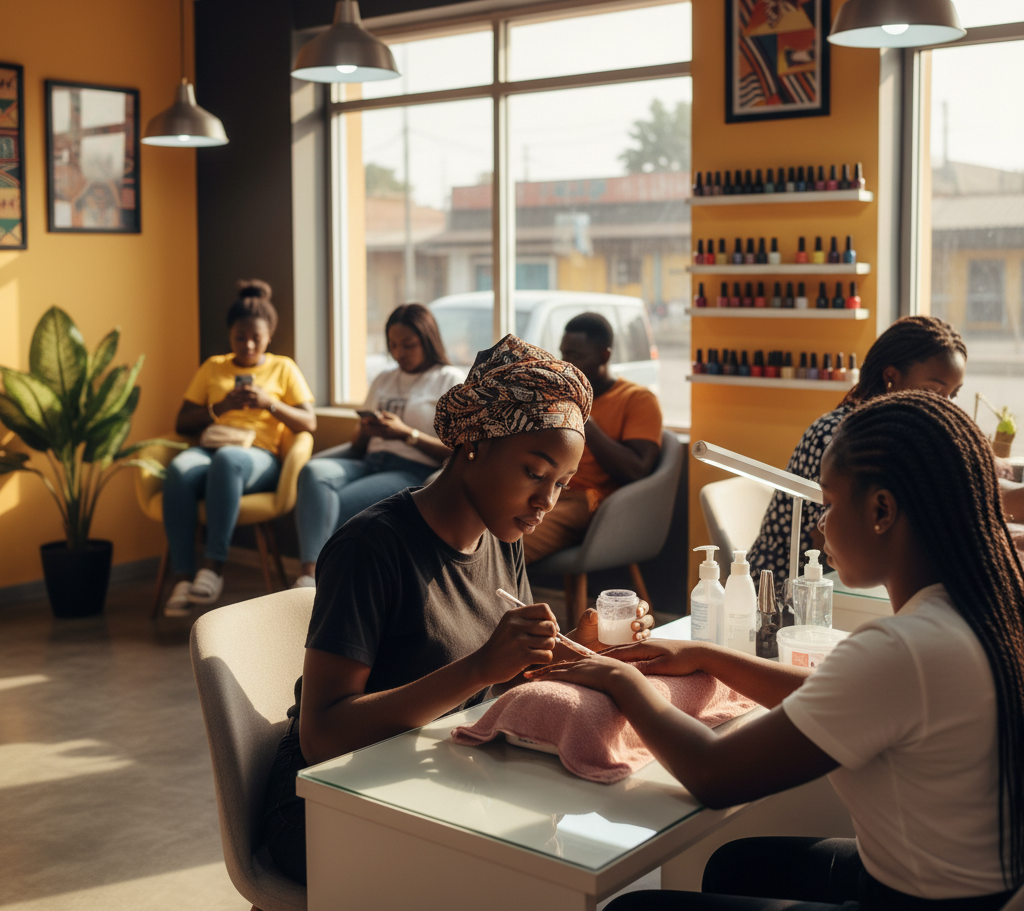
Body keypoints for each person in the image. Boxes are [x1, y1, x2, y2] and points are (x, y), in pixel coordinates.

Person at [528, 391, 1024, 910]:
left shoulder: (904, 648)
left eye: (829, 506)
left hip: (923, 902)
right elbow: (847, 695)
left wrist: (619, 679)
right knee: (736, 865)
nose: (820, 526)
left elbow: (714, 774)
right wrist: (709, 655)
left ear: (881, 510)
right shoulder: (988, 607)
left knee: (634, 907)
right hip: (981, 887)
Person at [261, 335, 655, 884]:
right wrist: (478, 669)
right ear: (475, 443)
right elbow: (322, 735)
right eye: (534, 473)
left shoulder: (502, 536)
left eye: (561, 484)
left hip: (426, 773)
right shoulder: (372, 548)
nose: (546, 501)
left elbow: (503, 680)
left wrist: (577, 643)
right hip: (323, 802)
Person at [747, 315, 966, 605]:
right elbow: (827, 545)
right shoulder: (841, 438)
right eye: (934, 391)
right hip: (790, 590)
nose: (943, 404)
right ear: (891, 377)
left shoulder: (904, 437)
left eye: (953, 395)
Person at [162, 281, 316, 616]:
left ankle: (213, 566)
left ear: (269, 335)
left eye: (255, 338)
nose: (247, 345)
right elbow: (182, 421)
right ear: (229, 335)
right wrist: (221, 405)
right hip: (213, 449)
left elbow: (309, 422)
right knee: (177, 470)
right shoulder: (213, 367)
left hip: (258, 457)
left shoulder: (283, 367)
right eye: (239, 338)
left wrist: (269, 403)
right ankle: (184, 577)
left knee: (229, 460)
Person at [292, 303, 464, 587]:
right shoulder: (385, 377)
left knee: (336, 506)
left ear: (427, 339)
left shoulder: (449, 379)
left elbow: (457, 452)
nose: (399, 353)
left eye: (408, 345)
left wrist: (406, 434)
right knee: (313, 471)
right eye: (393, 345)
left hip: (411, 470)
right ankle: (311, 574)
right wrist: (366, 429)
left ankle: (315, 581)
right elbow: (358, 446)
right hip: (369, 462)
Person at [523, 312, 662, 566]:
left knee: (508, 543)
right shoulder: (558, 395)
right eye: (563, 354)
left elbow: (637, 470)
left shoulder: (637, 399)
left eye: (576, 356)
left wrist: (582, 413)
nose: (566, 364)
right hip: (540, 484)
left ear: (604, 356)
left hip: (585, 500)